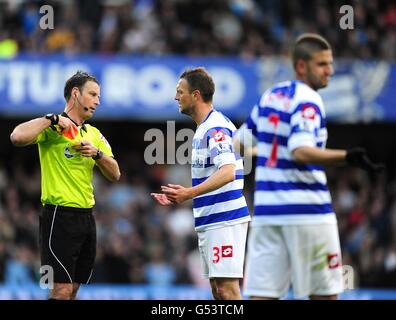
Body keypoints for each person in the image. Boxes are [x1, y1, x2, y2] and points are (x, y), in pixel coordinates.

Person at [234, 33, 384, 300]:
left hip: (268, 214)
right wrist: (348, 157)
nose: (331, 71)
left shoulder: (271, 95)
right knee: (325, 296)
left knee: (262, 297)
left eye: (330, 63)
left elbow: (239, 144)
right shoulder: (309, 100)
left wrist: (270, 152)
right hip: (308, 214)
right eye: (322, 64)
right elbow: (301, 151)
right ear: (301, 66)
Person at [10, 70, 121, 300]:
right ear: (75, 93)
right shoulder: (54, 128)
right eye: (93, 94)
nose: (98, 101)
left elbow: (115, 174)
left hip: (87, 217)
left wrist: (97, 154)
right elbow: (17, 136)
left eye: (98, 96)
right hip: (59, 216)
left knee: (73, 290)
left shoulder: (94, 135)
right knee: (60, 289)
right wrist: (51, 119)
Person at [151, 67, 251, 300]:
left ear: (195, 95)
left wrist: (189, 193)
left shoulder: (215, 128)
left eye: (180, 91)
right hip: (211, 219)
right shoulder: (203, 129)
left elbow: (228, 172)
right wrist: (183, 194)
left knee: (227, 290)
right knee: (218, 290)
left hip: (225, 219)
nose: (176, 97)